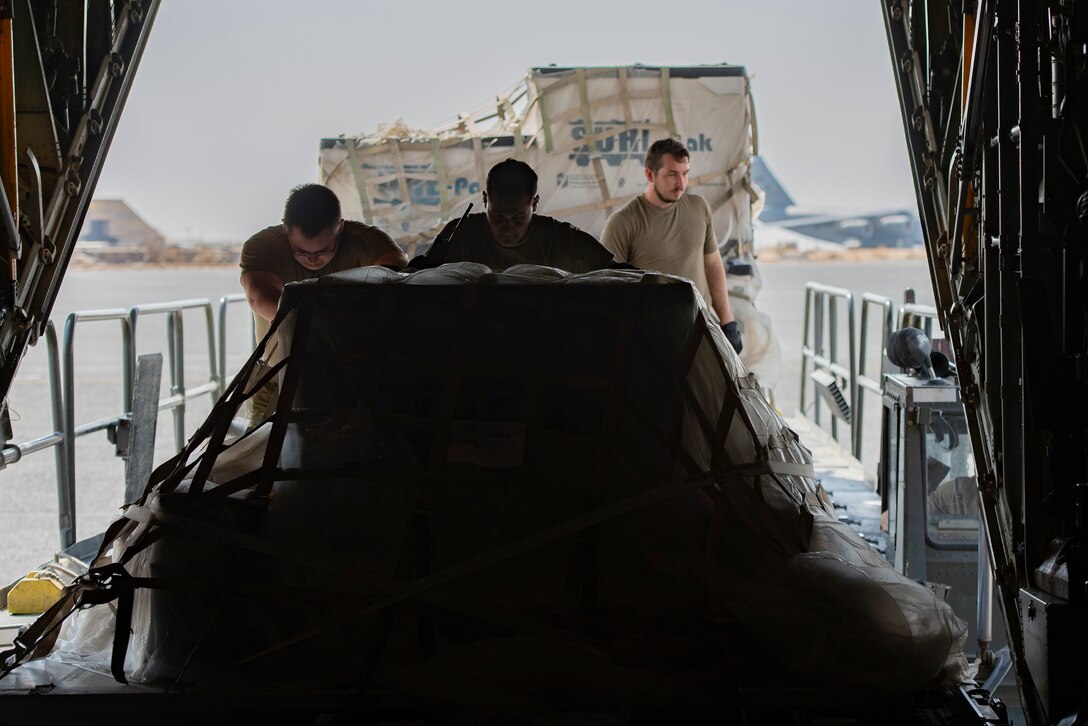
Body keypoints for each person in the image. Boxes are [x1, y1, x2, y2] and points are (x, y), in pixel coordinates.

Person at [239, 183, 408, 423]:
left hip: (351, 374)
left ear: (340, 227)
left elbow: (397, 274)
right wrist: (326, 321)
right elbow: (259, 297)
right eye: (300, 251)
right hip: (277, 375)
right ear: (285, 229)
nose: (313, 259)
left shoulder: (366, 241)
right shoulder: (262, 246)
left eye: (324, 249)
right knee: (262, 453)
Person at [601, 138, 742, 353]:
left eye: (685, 173)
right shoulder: (622, 223)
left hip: (700, 332)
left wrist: (727, 321)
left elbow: (712, 264)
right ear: (650, 174)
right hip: (650, 340)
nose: (681, 183)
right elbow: (607, 290)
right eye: (672, 174)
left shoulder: (698, 208)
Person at [415, 159, 615, 273]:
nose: (507, 227)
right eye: (498, 216)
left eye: (518, 218)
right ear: (485, 200)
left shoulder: (558, 237)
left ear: (535, 204)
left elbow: (621, 273)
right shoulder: (459, 234)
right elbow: (416, 278)